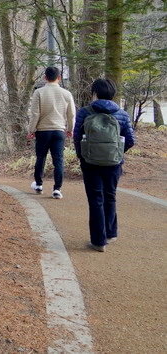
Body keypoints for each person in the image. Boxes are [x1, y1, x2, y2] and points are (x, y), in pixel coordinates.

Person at [73, 78, 135, 252]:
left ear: (94, 93)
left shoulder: (85, 112)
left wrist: (82, 155)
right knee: (110, 195)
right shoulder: (121, 114)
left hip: (90, 161)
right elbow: (130, 140)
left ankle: (99, 242)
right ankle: (111, 233)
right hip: (113, 163)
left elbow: (77, 137)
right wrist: (117, 153)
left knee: (95, 199)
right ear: (113, 94)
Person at [27, 66, 76, 199]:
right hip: (59, 131)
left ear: (45, 78)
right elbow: (71, 115)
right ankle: (57, 189)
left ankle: (38, 184)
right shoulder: (67, 94)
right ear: (59, 78)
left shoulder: (39, 92)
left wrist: (31, 130)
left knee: (40, 158)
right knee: (58, 160)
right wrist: (70, 129)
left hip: (43, 131)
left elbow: (35, 114)